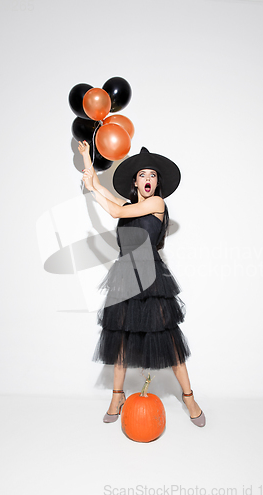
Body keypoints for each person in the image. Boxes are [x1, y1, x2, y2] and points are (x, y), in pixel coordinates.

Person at [79, 141, 206, 427]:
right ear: (134, 182)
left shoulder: (156, 204)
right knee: (121, 339)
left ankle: (189, 397)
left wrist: (94, 188)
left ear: (156, 183)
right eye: (143, 175)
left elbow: (113, 212)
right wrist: (87, 160)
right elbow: (101, 190)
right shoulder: (127, 205)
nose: (148, 179)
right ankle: (117, 396)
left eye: (152, 175)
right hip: (125, 276)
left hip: (152, 279)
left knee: (170, 340)